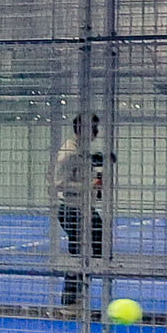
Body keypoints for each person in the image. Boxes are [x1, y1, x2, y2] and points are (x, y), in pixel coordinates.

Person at [51, 115, 106, 307]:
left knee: (91, 249)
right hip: (72, 210)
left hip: (85, 209)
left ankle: (77, 294)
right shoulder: (69, 153)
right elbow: (59, 184)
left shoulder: (83, 152)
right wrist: (90, 185)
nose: (96, 133)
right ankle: (70, 300)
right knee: (80, 253)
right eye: (93, 129)